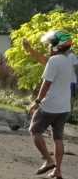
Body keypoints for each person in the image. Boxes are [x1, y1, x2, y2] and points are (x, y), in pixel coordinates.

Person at [28, 31, 74, 179]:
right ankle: (58, 171)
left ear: (57, 46)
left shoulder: (54, 61)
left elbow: (46, 83)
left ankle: (48, 160)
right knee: (58, 138)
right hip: (64, 107)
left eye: (51, 44)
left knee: (34, 130)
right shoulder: (72, 59)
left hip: (50, 105)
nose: (49, 47)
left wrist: (37, 102)